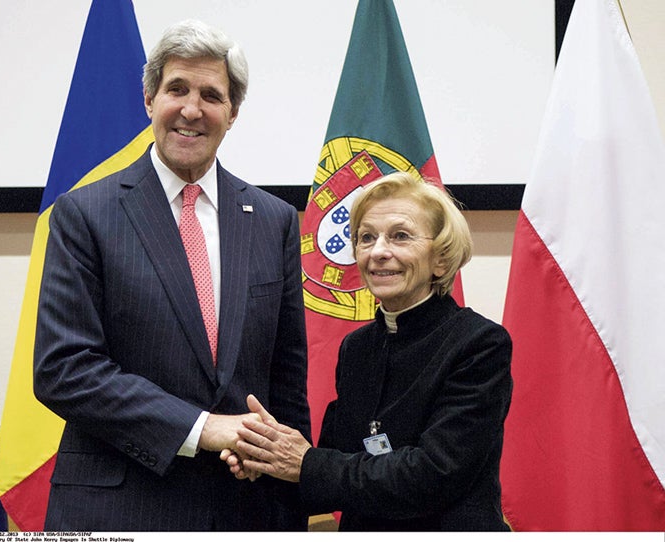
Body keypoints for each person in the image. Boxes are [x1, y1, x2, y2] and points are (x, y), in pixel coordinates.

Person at [33, 19, 310, 531]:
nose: (191, 109)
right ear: (149, 100)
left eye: (211, 95)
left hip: (246, 508)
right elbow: (64, 369)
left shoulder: (274, 220)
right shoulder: (84, 214)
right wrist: (203, 428)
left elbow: (287, 380)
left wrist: (284, 471)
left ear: (232, 113)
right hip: (121, 509)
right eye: (177, 89)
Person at [230, 172, 513, 531]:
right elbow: (331, 466)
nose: (378, 252)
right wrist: (265, 460)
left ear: (441, 259)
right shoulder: (357, 348)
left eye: (400, 236)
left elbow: (432, 475)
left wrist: (305, 464)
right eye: (366, 238)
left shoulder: (479, 344)